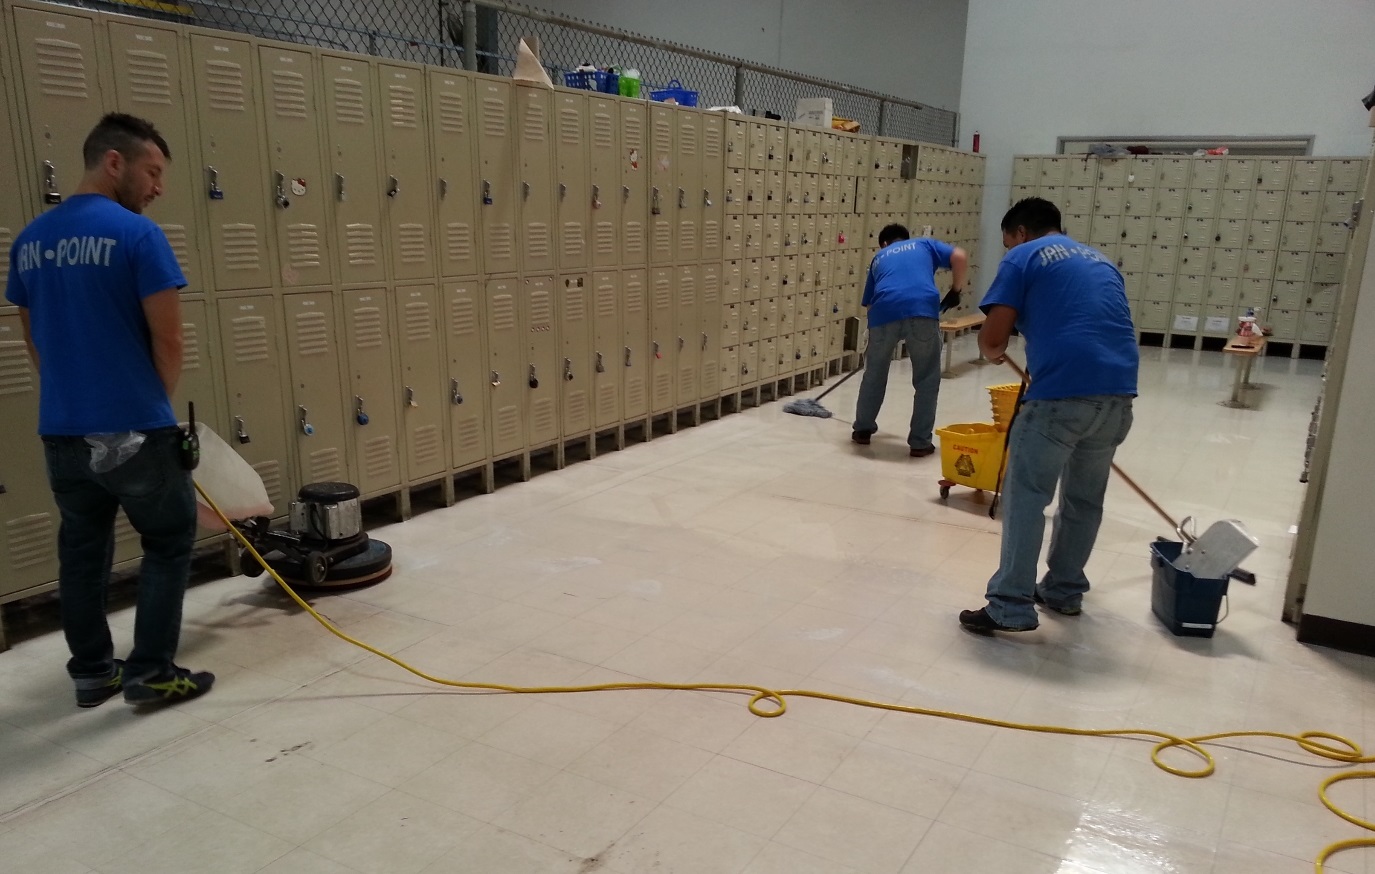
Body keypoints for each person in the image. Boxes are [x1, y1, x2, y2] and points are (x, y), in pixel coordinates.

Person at [6, 113, 214, 706]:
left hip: (63, 434)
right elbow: (169, 341)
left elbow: (35, 341)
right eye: (152, 172)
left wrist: (77, 400)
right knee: (170, 540)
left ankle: (93, 673)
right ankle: (151, 673)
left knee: (82, 549)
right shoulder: (137, 236)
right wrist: (148, 406)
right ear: (114, 162)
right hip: (134, 428)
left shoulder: (29, 241)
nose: (158, 187)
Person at [959, 197, 1139, 633]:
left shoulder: (1023, 256)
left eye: (1007, 242)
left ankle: (1010, 605)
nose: (1008, 250)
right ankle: (1063, 591)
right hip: (1118, 396)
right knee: (1082, 500)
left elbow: (992, 337)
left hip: (1060, 397)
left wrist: (994, 351)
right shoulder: (1099, 260)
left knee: (1026, 497)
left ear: (1020, 232)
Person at [852, 224, 968, 457]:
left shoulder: (879, 257)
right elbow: (959, 256)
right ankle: (920, 442)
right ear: (906, 239)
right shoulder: (924, 244)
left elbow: (869, 304)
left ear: (884, 243)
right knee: (926, 378)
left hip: (884, 312)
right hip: (922, 309)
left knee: (874, 374)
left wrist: (873, 338)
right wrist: (956, 290)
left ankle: (863, 430)